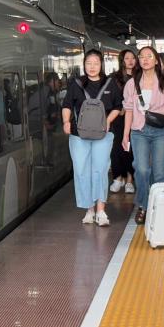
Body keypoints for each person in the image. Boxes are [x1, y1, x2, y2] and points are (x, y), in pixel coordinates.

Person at [61, 49, 122, 226]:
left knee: (100, 170)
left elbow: (118, 106)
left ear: (101, 64)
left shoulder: (110, 83)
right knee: (81, 171)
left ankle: (101, 210)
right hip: (78, 134)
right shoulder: (76, 83)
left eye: (96, 63)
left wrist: (108, 120)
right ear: (84, 64)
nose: (92, 67)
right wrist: (66, 122)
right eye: (89, 63)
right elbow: (67, 104)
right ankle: (89, 209)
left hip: (104, 134)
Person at [122, 46, 164, 224]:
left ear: (156, 61)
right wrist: (125, 135)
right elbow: (129, 110)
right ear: (139, 61)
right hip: (138, 131)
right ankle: (143, 204)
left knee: (160, 172)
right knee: (141, 169)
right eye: (142, 57)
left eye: (149, 56)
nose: (145, 59)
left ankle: (158, 207)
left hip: (161, 132)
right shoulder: (131, 83)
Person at [109, 49, 136, 193]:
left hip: (135, 118)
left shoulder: (140, 76)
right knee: (116, 149)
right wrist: (119, 107)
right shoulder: (114, 77)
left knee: (130, 149)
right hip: (118, 117)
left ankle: (130, 180)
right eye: (127, 58)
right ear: (122, 60)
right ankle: (118, 178)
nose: (130, 61)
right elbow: (110, 96)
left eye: (133, 58)